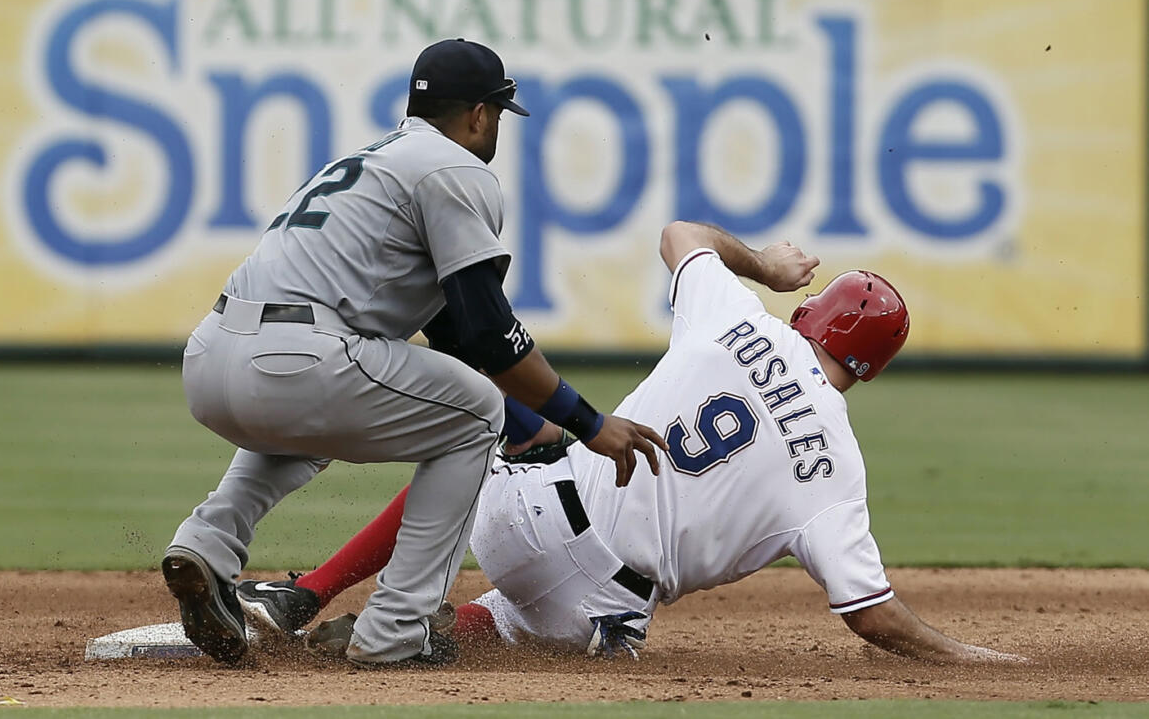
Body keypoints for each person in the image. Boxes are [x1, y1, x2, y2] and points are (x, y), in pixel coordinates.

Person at [239, 221, 1026, 665]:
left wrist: (765, 266)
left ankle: (311, 590)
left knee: (474, 433)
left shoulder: (739, 319)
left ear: (809, 315)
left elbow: (681, 234)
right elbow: (873, 615)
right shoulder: (838, 470)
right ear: (872, 368)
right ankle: (441, 629)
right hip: (597, 612)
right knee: (530, 624)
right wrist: (975, 659)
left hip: (529, 519)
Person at [161, 38, 667, 668]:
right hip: (301, 359)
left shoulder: (371, 161)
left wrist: (532, 422)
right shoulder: (456, 170)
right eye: (500, 115)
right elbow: (487, 334)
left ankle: (205, 545)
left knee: (335, 410)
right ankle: (398, 626)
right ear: (481, 114)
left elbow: (452, 338)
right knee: (479, 412)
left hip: (213, 359)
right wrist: (587, 423)